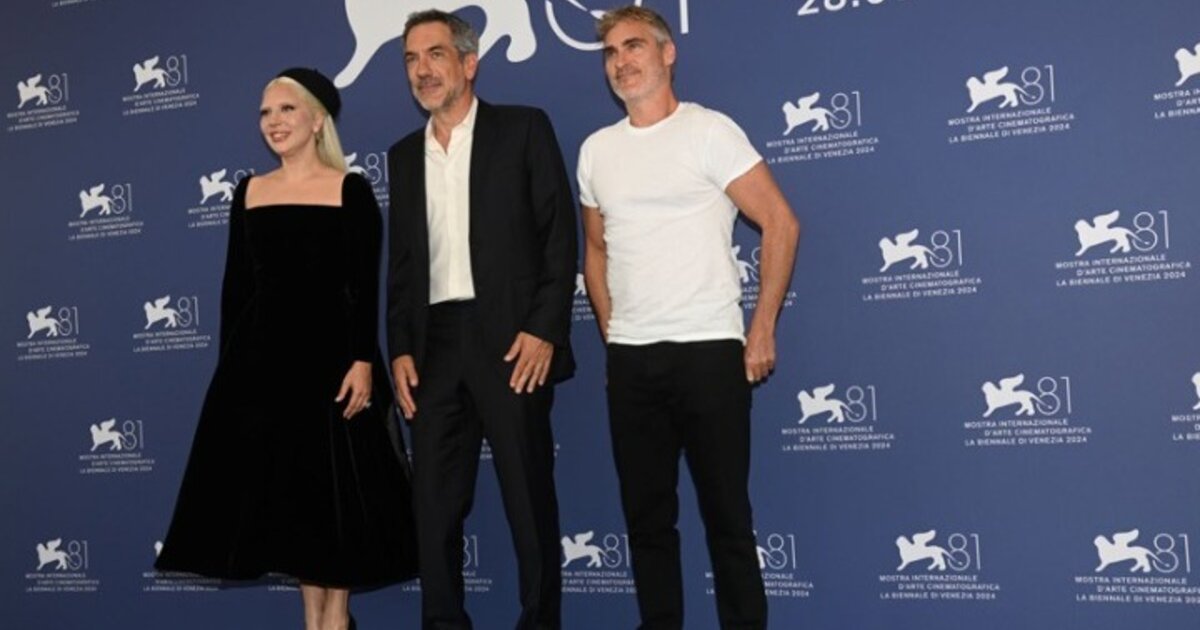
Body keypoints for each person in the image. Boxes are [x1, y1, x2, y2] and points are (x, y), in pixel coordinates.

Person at [156, 67, 417, 630]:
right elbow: (236, 287)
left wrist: (361, 362)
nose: (273, 122)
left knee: (333, 499)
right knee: (291, 498)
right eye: (265, 112)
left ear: (317, 119)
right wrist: (230, 371)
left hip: (333, 366)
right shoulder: (250, 191)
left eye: (286, 109)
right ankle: (313, 620)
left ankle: (336, 618)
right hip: (263, 367)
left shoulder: (349, 188)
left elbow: (362, 285)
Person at [578, 7, 801, 630]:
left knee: (728, 520)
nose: (621, 61)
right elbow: (595, 252)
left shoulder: (708, 131)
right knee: (647, 524)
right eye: (611, 53)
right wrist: (615, 338)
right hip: (632, 363)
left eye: (634, 46)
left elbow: (780, 222)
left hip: (709, 352)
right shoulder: (596, 151)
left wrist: (762, 327)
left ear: (667, 52)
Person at [386, 10, 577, 630]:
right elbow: (403, 266)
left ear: (469, 63)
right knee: (433, 508)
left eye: (435, 54)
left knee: (528, 500)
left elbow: (559, 238)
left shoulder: (522, 129)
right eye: (411, 59)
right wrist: (399, 348)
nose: (422, 70)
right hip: (433, 348)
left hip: (513, 341)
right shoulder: (402, 156)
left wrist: (543, 329)